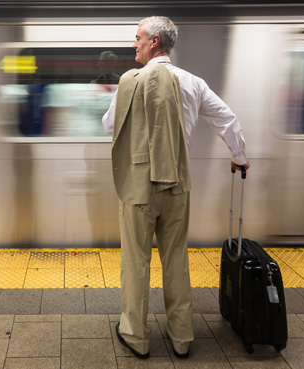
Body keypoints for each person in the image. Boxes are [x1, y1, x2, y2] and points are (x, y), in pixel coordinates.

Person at [102, 16, 250, 359]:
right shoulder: (192, 82)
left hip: (138, 189)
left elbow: (109, 124)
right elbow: (226, 119)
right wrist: (239, 157)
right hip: (177, 187)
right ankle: (182, 337)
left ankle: (136, 337)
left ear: (154, 41)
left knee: (136, 263)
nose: (133, 43)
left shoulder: (130, 82)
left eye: (138, 37)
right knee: (176, 261)